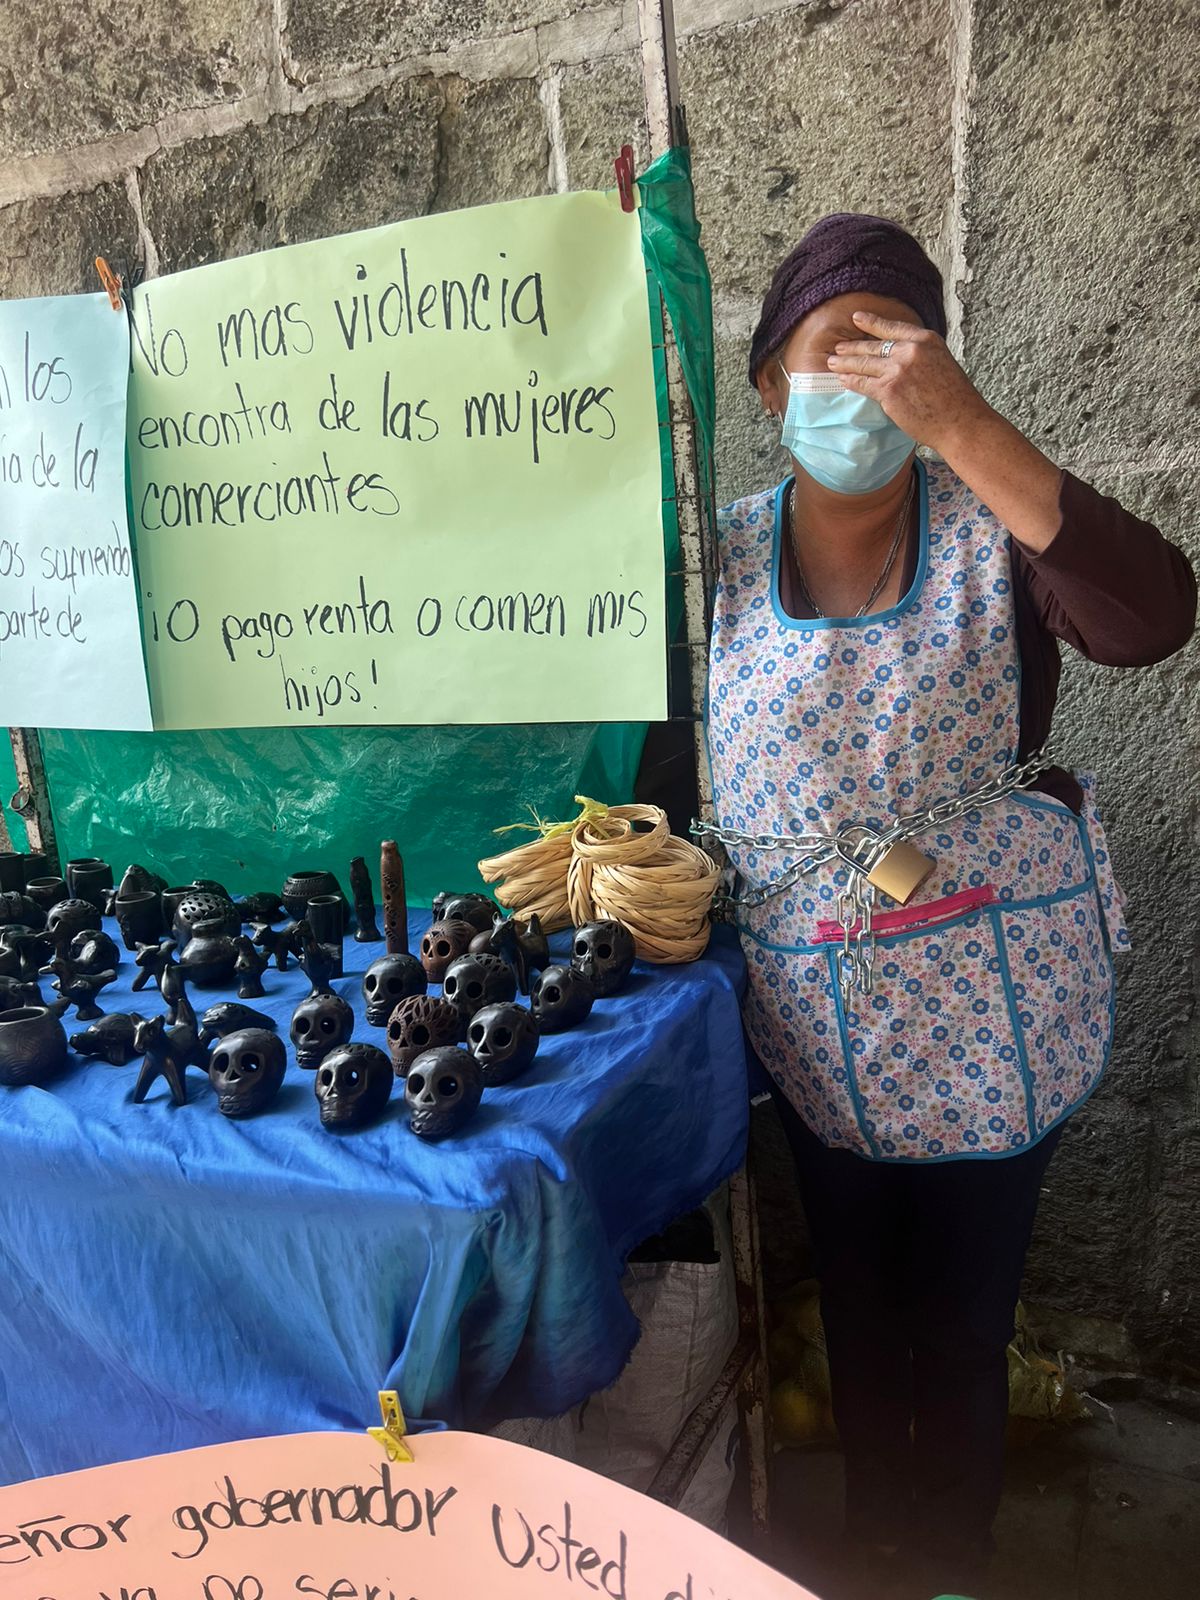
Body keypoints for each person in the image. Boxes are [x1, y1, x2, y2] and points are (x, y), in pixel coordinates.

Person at [702, 213, 1195, 1598]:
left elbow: (1149, 617)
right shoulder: (715, 569)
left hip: (992, 1014)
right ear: (765, 388)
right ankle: (873, 1547)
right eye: (829, 357)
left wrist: (968, 426)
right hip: (818, 1021)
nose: (860, 393)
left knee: (966, 1319)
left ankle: (955, 1560)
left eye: (894, 362)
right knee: (861, 1310)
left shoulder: (996, 536)